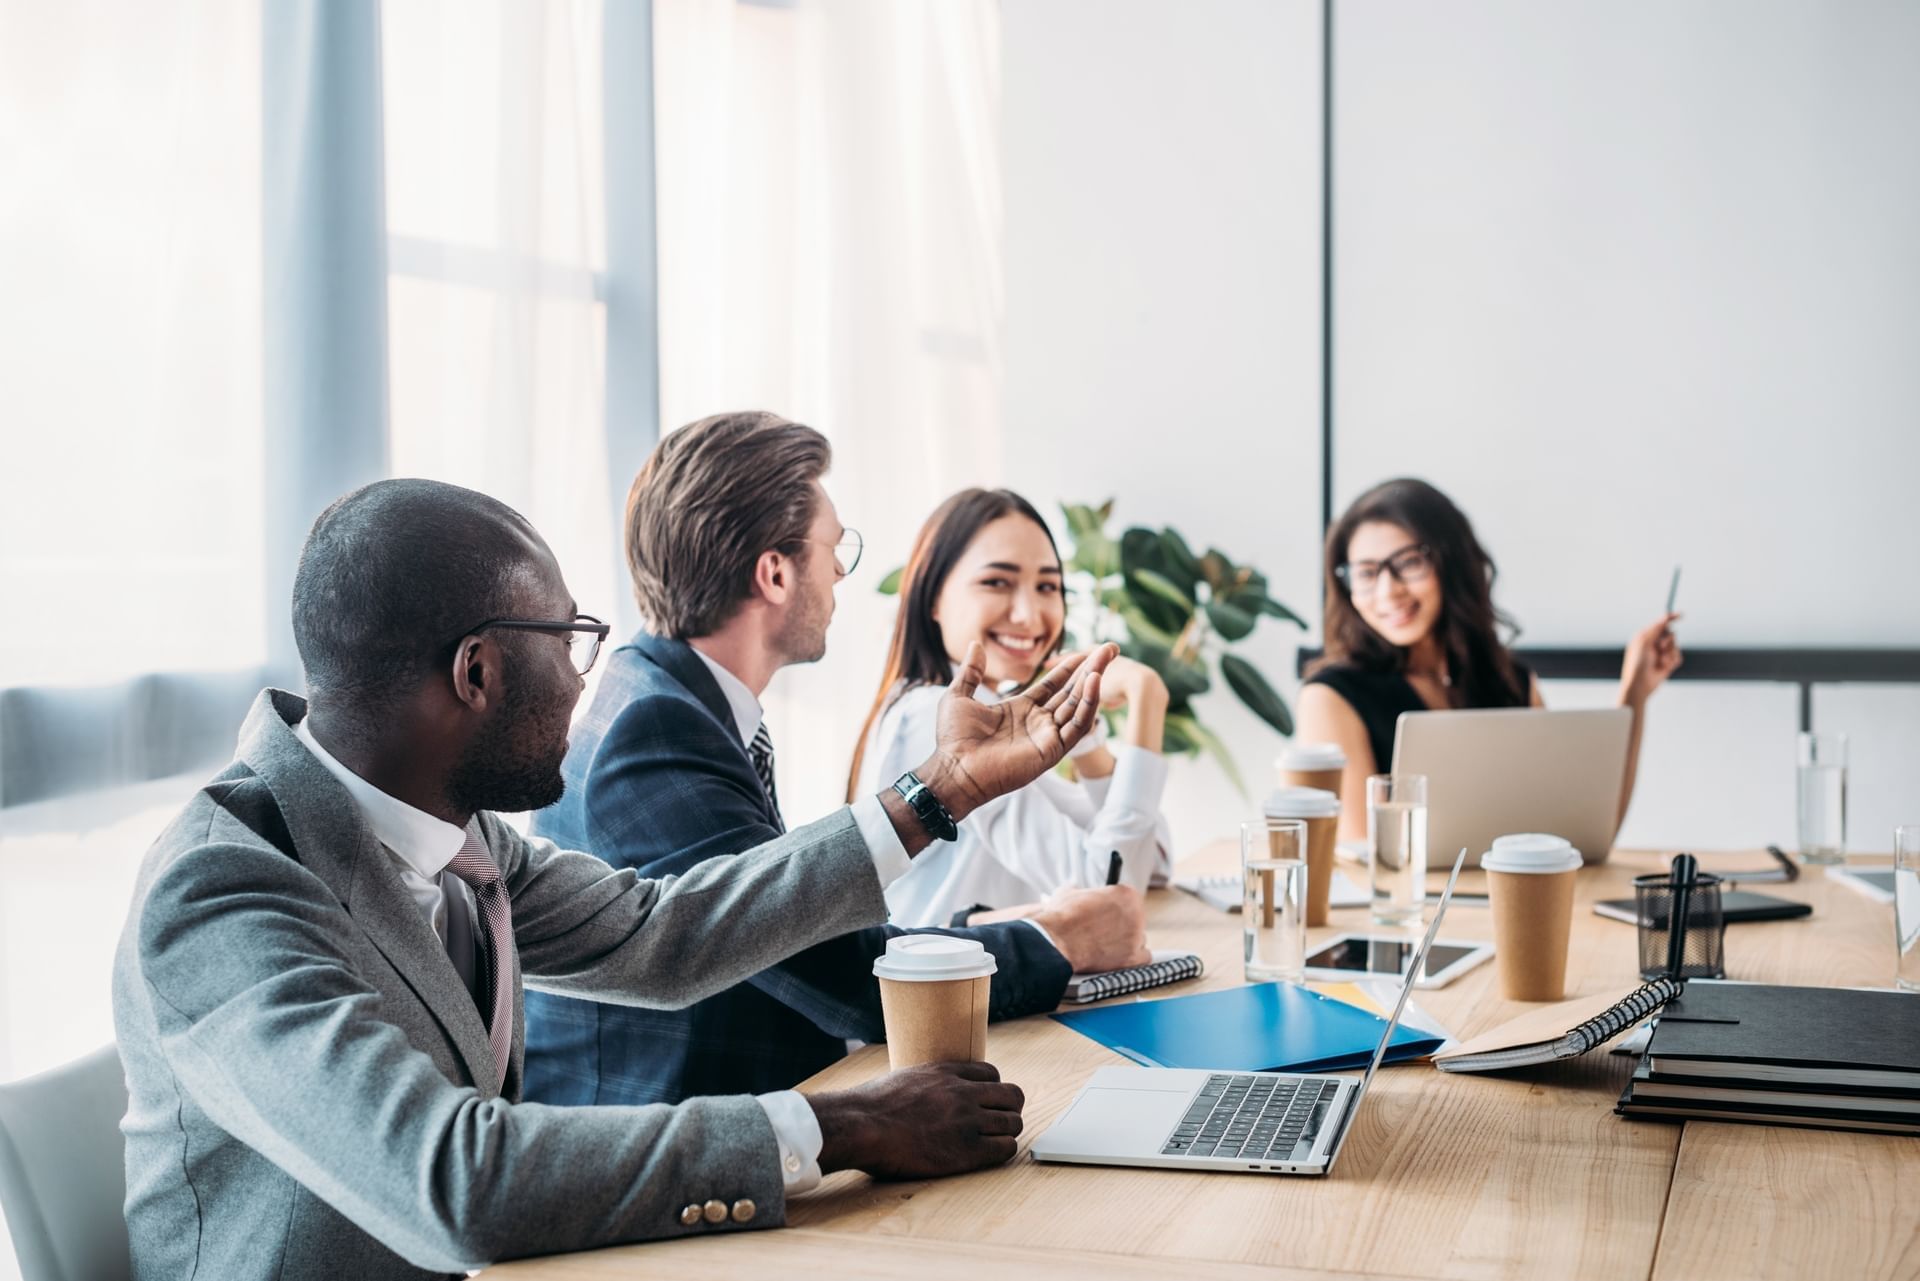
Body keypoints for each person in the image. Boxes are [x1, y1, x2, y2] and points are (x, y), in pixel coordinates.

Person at [111, 477, 1116, 1280]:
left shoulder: (457, 837)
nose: (588, 674)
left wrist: (936, 793)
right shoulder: (225, 896)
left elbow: (662, 933)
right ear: (478, 672)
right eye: (570, 639)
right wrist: (843, 1123)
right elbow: (453, 1178)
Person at [521, 414, 1148, 1107]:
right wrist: (1054, 938)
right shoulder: (656, 729)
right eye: (835, 548)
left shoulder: (677, 699)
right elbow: (841, 979)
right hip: (669, 1147)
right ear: (776, 572)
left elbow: (785, 933)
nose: (843, 574)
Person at [850, 488, 1174, 929]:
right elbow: (1110, 892)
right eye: (997, 582)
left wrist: (1087, 739)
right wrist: (1146, 697)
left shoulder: (987, 708)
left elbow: (1150, 862)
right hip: (949, 994)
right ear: (933, 597)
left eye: (1047, 586)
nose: (1029, 614)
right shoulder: (936, 717)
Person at [1294, 477, 1681, 841]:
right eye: (1366, 573)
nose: (1387, 590)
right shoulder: (1331, 696)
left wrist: (1635, 693)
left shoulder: (1508, 680)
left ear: (1452, 562)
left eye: (1409, 563)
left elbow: (1583, 833)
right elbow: (1365, 859)